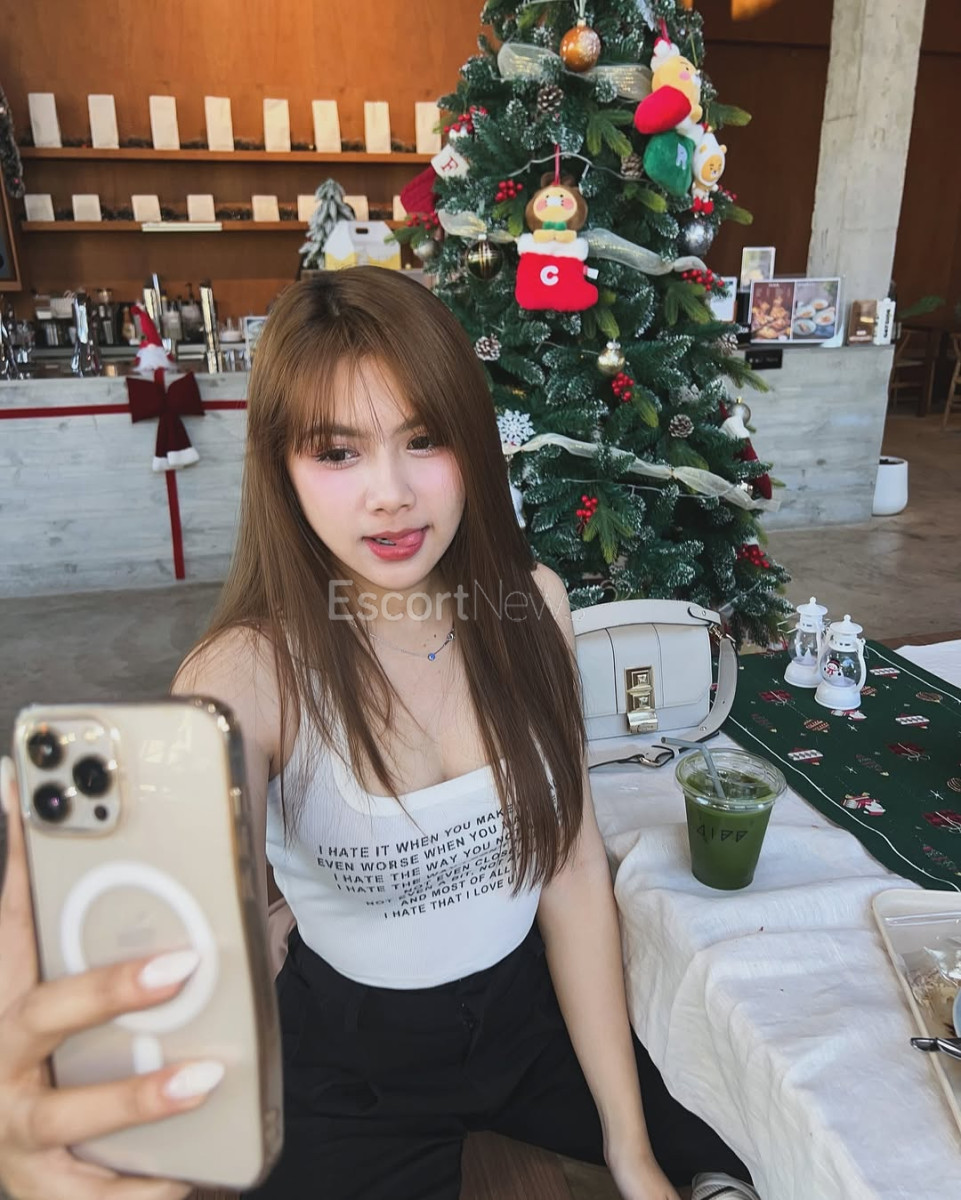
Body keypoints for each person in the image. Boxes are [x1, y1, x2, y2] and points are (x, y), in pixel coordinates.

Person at [0, 269, 757, 1200]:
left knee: (732, 1144)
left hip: (531, 1019)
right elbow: (174, 951)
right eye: (337, 452)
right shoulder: (242, 677)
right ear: (281, 469)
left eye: (424, 438)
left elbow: (566, 870)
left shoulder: (533, 606)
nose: (390, 495)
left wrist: (629, 1149)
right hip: (349, 1063)